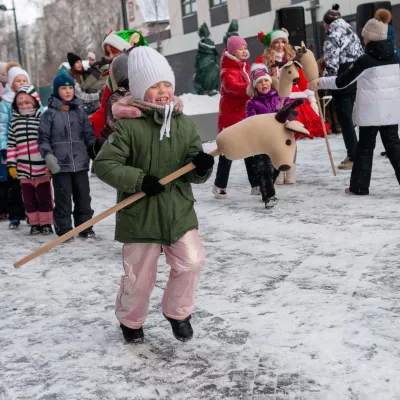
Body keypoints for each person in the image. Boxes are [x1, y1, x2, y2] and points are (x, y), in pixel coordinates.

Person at [94, 46, 214, 343]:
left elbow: (194, 170)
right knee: (139, 277)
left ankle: (178, 312)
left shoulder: (184, 125)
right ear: (138, 90)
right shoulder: (129, 128)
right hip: (140, 213)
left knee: (192, 261)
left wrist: (200, 166)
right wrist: (139, 180)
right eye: (154, 85)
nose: (162, 91)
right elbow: (104, 164)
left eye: (167, 84)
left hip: (178, 210)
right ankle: (131, 320)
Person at [309, 9, 400, 195]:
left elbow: (342, 81)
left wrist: (319, 82)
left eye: (365, 36)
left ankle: (359, 186)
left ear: (370, 38)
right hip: (391, 111)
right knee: (394, 146)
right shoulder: (396, 57)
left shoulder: (365, 60)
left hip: (370, 112)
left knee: (365, 148)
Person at [256, 29, 330, 184]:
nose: (280, 45)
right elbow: (259, 81)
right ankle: (278, 169)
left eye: (282, 42)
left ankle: (290, 169)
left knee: (290, 137)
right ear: (271, 44)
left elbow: (302, 79)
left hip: (293, 99)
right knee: (276, 138)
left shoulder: (293, 58)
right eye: (276, 42)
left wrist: (311, 98)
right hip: (273, 100)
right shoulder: (264, 60)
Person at [38, 73, 96, 239]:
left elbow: (89, 136)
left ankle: (85, 227)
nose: (68, 91)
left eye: (70, 87)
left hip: (80, 163)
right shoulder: (48, 115)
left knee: (83, 196)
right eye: (63, 88)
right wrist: (48, 156)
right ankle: (64, 229)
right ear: (57, 90)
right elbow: (43, 139)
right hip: (60, 165)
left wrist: (94, 151)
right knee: (63, 198)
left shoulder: (80, 113)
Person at [213, 35, 258, 199]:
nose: (244, 51)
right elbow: (232, 87)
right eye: (241, 49)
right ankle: (219, 185)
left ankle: (256, 184)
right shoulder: (227, 71)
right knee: (227, 152)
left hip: (244, 115)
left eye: (245, 48)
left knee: (250, 150)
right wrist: (251, 87)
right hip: (230, 116)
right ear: (232, 51)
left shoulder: (243, 68)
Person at [7, 85, 53, 235]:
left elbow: (48, 142)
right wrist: (12, 164)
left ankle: (46, 223)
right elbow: (11, 145)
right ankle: (34, 223)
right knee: (29, 200)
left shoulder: (42, 120)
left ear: (35, 101)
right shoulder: (14, 123)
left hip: (41, 168)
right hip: (23, 169)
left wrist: (49, 163)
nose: (24, 106)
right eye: (20, 104)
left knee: (44, 197)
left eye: (27, 102)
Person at [323, 3, 363, 169]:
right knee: (353, 119)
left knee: (345, 120)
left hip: (342, 78)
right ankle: (360, 153)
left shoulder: (332, 36)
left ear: (327, 24)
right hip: (357, 76)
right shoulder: (352, 32)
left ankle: (354, 156)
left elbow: (331, 63)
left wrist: (326, 82)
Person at [246, 64, 290, 208]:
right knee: (263, 167)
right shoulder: (252, 104)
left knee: (277, 166)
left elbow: (290, 113)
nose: (263, 84)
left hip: (279, 139)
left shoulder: (280, 98)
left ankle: (268, 185)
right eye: (259, 82)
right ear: (254, 86)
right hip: (262, 141)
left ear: (270, 81)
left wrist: (289, 116)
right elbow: (251, 121)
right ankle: (269, 196)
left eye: (265, 80)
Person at [0, 63, 29, 228]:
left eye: (24, 79)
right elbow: (2, 127)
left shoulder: (33, 99)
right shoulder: (6, 103)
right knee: (14, 183)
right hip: (13, 148)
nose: (22, 83)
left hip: (29, 148)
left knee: (30, 181)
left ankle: (29, 210)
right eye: (18, 80)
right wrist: (4, 147)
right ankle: (14, 213)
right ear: (11, 84)